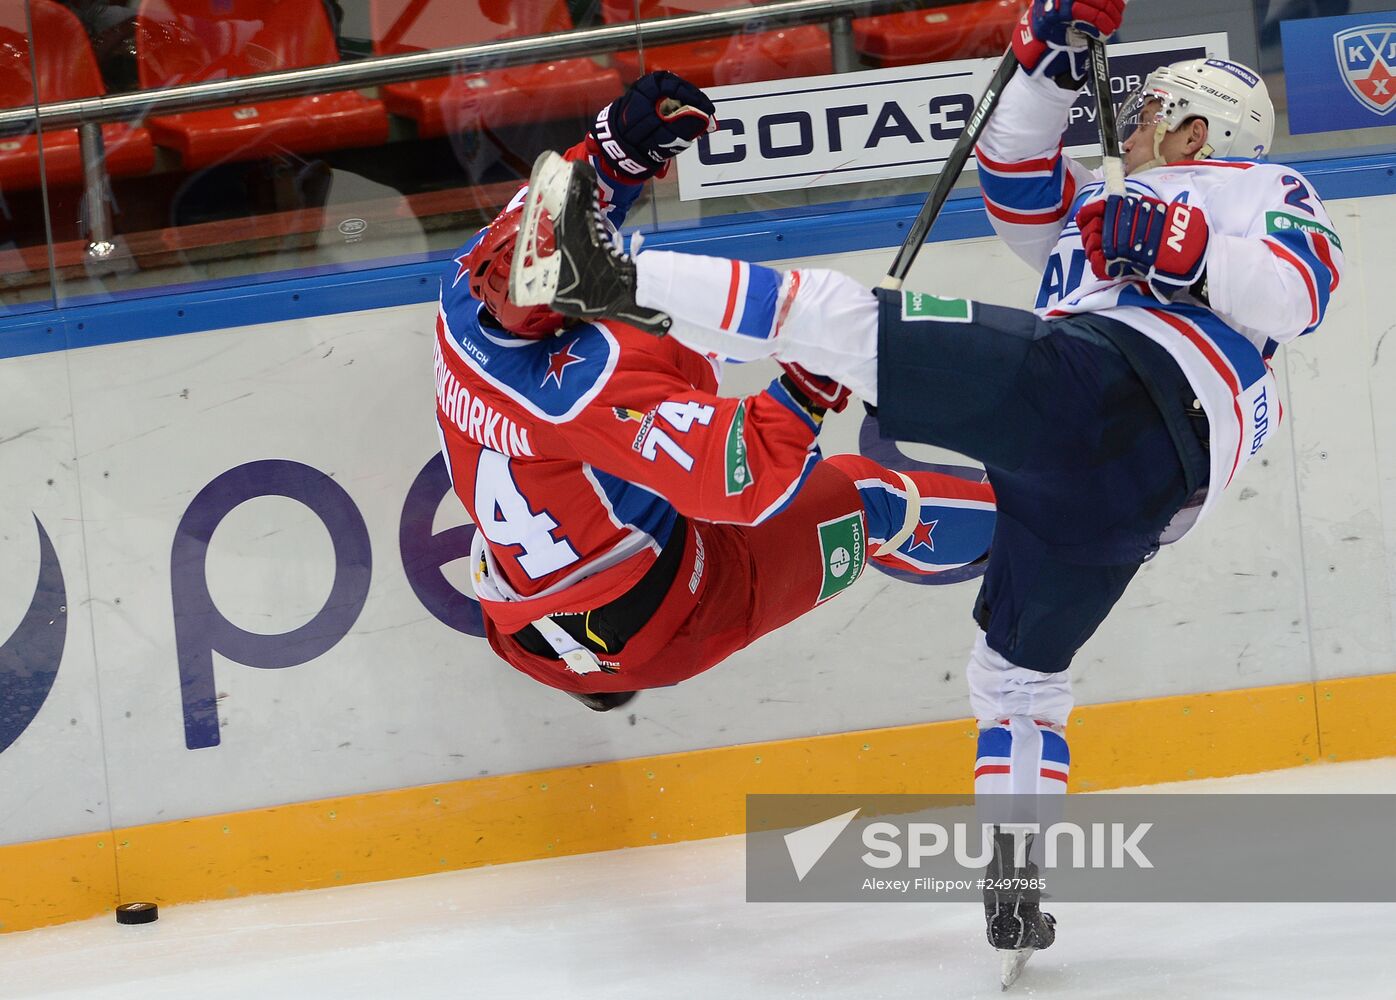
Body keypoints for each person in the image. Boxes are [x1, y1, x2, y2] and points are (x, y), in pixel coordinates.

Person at [508, 0, 1343, 974]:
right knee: (1015, 672)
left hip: (1114, 390)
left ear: (1199, 130)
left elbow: (1304, 287)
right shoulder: (1097, 213)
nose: (1140, 123)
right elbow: (1011, 180)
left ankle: (608, 272)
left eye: (1156, 111)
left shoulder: (1247, 185)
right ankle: (1018, 879)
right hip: (1115, 494)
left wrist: (1181, 246)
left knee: (834, 313)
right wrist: (1040, 54)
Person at [438, 70, 997, 714]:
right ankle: (1053, 529)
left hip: (524, 622)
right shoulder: (586, 385)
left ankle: (598, 657)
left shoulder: (465, 294)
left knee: (673, 338)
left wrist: (619, 147)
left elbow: (556, 209)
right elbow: (744, 481)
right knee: (866, 499)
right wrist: (811, 383)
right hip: (667, 618)